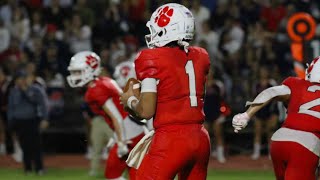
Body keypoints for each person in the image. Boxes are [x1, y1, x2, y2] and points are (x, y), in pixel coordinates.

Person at [120, 3, 211, 179]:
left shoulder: (152, 58)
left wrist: (130, 100)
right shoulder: (201, 56)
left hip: (171, 138)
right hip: (200, 137)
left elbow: (146, 111)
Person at [232, 56, 320, 180]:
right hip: (306, 144)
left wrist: (247, 115)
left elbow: (271, 92)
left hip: (280, 139)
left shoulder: (296, 84)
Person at [67, 51, 145, 179]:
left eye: (78, 72)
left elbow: (117, 117)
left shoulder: (95, 90)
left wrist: (120, 141)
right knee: (134, 174)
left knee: (113, 174)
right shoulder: (104, 81)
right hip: (135, 129)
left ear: (90, 70)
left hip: (129, 133)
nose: (74, 76)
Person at [7, 68, 49, 175]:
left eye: (23, 78)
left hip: (33, 120)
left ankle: (39, 168)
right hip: (19, 121)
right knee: (24, 146)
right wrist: (10, 120)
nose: (21, 81)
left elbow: (43, 104)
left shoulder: (36, 89)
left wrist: (44, 118)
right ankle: (28, 169)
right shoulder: (13, 91)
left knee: (36, 145)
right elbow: (11, 107)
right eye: (19, 79)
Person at [251, 66, 279, 160]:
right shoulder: (256, 84)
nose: (263, 73)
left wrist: (274, 113)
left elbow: (276, 97)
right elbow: (254, 99)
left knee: (270, 131)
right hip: (260, 111)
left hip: (270, 110)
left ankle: (270, 152)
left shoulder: (272, 83)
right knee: (257, 131)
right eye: (262, 71)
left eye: (265, 71)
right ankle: (256, 152)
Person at [204, 69, 228, 163]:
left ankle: (220, 154)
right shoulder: (201, 83)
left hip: (216, 114)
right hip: (205, 114)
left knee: (218, 133)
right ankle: (206, 154)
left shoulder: (218, 85)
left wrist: (223, 115)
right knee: (205, 135)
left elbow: (223, 100)